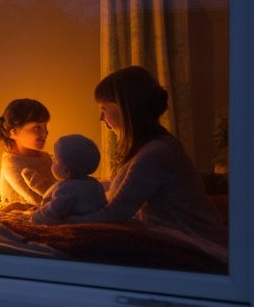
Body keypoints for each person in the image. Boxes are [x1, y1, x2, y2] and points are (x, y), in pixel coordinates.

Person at [66, 66, 226, 247]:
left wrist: (63, 221)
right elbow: (120, 186)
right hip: (175, 235)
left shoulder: (156, 153)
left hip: (196, 242)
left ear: (125, 107)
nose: (101, 118)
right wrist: (75, 186)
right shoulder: (148, 148)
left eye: (104, 108)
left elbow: (116, 212)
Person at [0, 98, 57, 207]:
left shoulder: (45, 157)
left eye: (45, 126)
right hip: (25, 219)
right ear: (13, 132)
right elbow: (37, 200)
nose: (45, 133)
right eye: (37, 127)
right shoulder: (12, 162)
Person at [31, 134, 105, 225]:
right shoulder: (96, 184)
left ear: (66, 171)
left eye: (54, 160)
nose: (51, 162)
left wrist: (37, 215)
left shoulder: (66, 188)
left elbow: (54, 211)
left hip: (74, 223)